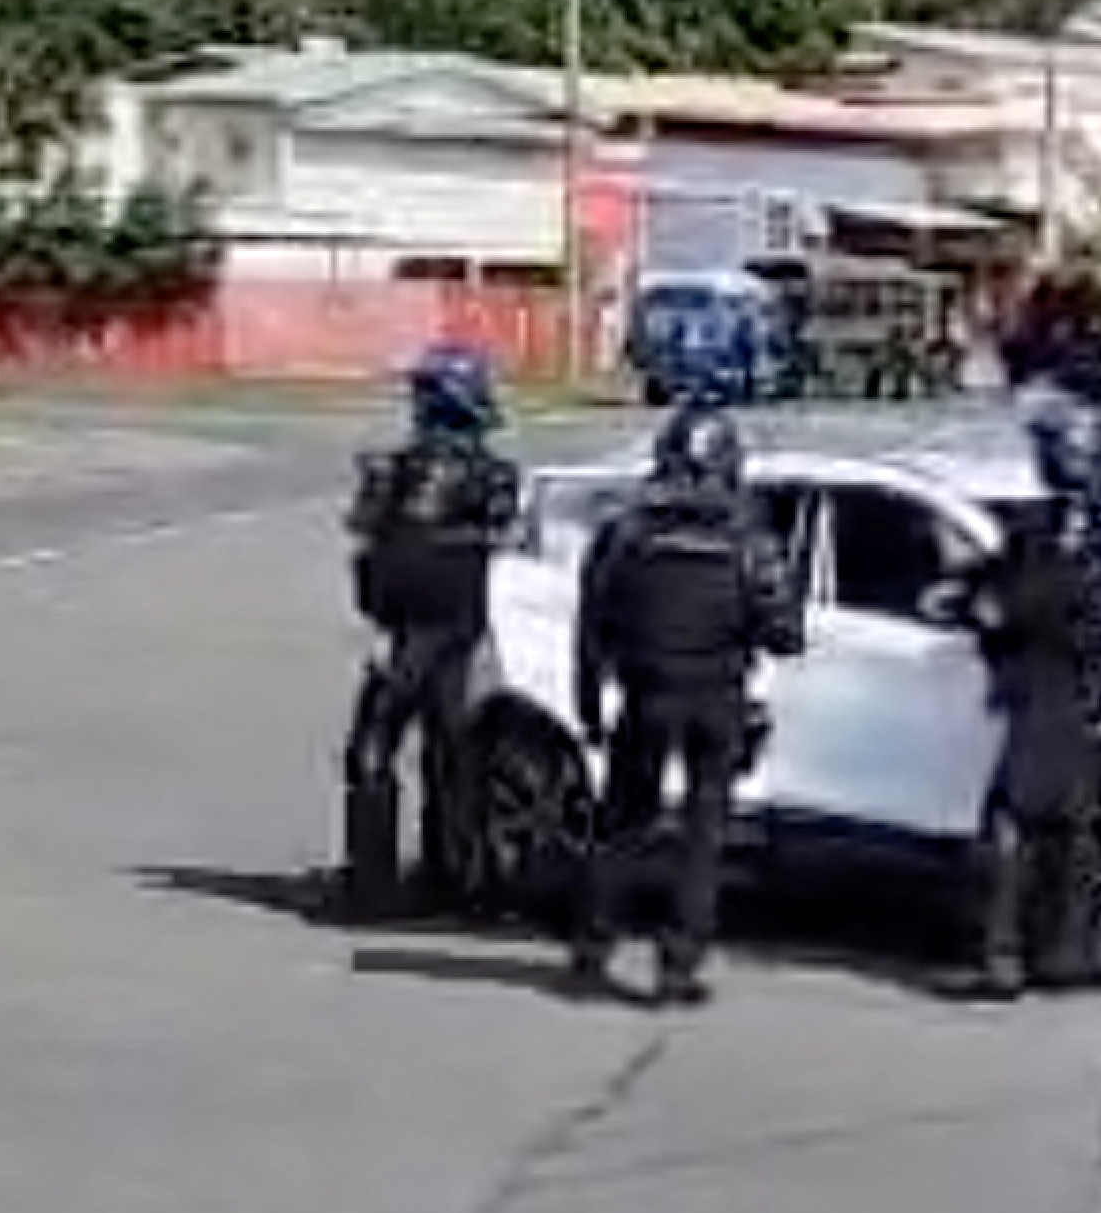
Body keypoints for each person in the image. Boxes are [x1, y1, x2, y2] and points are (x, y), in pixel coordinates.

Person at [568, 400, 800, 1006]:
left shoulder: (626, 529)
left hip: (645, 693)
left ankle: (592, 948)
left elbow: (591, 621)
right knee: (703, 837)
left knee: (622, 825)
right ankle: (677, 968)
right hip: (715, 697)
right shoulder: (748, 535)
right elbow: (785, 631)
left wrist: (589, 700)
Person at [954, 387, 1101, 998]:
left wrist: (990, 609)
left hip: (1046, 685)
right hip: (1080, 689)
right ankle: (1062, 952)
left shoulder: (1070, 530)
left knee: (1015, 822)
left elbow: (1032, 604)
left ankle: (1005, 957)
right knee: (1068, 825)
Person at [336, 342, 524, 921]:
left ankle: (372, 886)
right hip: (459, 627)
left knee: (374, 748)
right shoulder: (497, 476)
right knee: (454, 749)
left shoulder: (390, 471)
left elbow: (367, 535)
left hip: (406, 628)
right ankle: (458, 881)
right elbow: (502, 538)